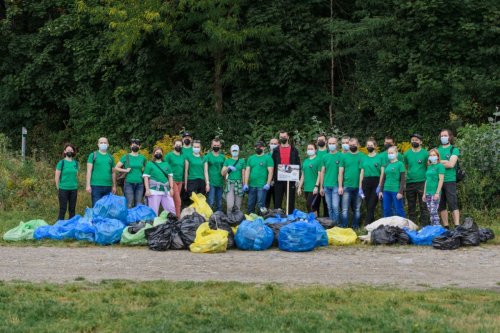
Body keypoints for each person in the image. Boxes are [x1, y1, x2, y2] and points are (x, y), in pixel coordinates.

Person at [272, 130, 301, 213]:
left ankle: (290, 216)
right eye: (281, 137)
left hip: (291, 178)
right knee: (277, 199)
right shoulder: (276, 150)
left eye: (284, 137)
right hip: (279, 178)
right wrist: (273, 178)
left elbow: (298, 164)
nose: (283, 138)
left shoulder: (294, 150)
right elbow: (273, 165)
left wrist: (297, 178)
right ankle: (278, 218)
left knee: (290, 199)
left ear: (288, 137)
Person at [338, 137, 364, 228]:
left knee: (357, 209)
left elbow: (363, 172)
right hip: (346, 186)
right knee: (344, 209)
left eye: (354, 145)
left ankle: (355, 227)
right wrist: (340, 186)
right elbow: (340, 172)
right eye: (351, 145)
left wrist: (361, 187)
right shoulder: (343, 156)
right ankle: (344, 226)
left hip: (358, 187)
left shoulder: (362, 156)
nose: (352, 146)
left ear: (358, 145)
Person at [404, 133, 429, 225]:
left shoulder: (425, 153)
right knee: (411, 205)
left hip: (422, 182)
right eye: (413, 140)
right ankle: (412, 225)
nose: (414, 141)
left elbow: (428, 167)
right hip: (410, 182)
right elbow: (406, 166)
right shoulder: (406, 154)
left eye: (416, 140)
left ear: (421, 142)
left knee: (423, 205)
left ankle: (424, 225)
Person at [437, 129, 460, 227]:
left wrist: (439, 162)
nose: (443, 137)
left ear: (450, 137)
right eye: (442, 136)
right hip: (438, 181)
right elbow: (432, 164)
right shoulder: (437, 150)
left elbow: (451, 164)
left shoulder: (454, 149)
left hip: (450, 180)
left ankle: (457, 225)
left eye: (445, 135)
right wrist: (445, 161)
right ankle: (446, 226)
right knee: (441, 205)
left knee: (452, 203)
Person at [115, 139, 147, 208]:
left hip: (140, 183)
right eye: (133, 145)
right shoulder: (126, 157)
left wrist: (144, 171)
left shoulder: (142, 158)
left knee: (138, 204)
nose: (135, 146)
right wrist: (125, 170)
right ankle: (128, 218)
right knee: (129, 203)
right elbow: (116, 167)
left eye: (137, 145)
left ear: (140, 146)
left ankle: (136, 219)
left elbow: (146, 169)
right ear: (130, 146)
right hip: (128, 183)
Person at [143, 147, 175, 215]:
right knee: (153, 211)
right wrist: (147, 189)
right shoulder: (150, 164)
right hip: (154, 190)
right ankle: (154, 224)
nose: (158, 154)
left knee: (171, 208)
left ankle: (172, 223)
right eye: (156, 152)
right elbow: (146, 177)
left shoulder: (166, 164)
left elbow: (170, 176)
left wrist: (172, 188)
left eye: (160, 153)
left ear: (162, 154)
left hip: (166, 190)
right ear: (153, 154)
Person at [244, 141, 274, 214]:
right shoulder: (251, 158)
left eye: (260, 147)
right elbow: (247, 171)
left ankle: (262, 220)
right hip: (252, 185)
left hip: (262, 186)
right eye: (256, 147)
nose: (258, 148)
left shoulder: (268, 158)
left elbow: (271, 171)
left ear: (263, 148)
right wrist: (245, 183)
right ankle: (250, 220)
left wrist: (268, 183)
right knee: (250, 204)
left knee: (261, 205)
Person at [86, 137, 116, 207]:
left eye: (105, 143)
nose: (103, 144)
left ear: (108, 145)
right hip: (96, 186)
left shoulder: (110, 157)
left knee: (106, 208)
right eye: (101, 143)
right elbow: (89, 171)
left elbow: (113, 173)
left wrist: (114, 186)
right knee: (96, 207)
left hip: (108, 186)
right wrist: (88, 185)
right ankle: (96, 218)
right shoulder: (93, 155)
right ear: (98, 144)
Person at [378, 146, 406, 217]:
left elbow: (403, 179)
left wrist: (400, 192)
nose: (390, 154)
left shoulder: (400, 164)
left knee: (398, 209)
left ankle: (403, 226)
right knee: (386, 209)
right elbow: (383, 179)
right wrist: (381, 191)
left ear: (396, 153)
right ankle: (388, 226)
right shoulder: (387, 164)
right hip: (386, 190)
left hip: (396, 190)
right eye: (389, 153)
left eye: (392, 153)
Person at [320, 136, 343, 224]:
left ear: (337, 144)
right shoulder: (325, 157)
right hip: (326, 185)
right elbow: (322, 172)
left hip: (336, 185)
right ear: (327, 144)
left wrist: (340, 186)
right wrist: (321, 187)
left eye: (333, 143)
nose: (331, 145)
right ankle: (331, 225)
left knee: (336, 207)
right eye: (330, 143)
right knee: (329, 207)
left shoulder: (341, 156)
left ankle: (337, 225)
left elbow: (341, 173)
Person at [359, 138, 381, 225]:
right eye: (368, 145)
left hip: (376, 181)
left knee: (372, 204)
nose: (369, 147)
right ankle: (372, 223)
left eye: (371, 145)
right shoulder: (364, 158)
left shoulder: (379, 158)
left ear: (375, 146)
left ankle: (366, 224)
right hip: (366, 182)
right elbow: (361, 173)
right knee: (368, 205)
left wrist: (380, 185)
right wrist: (360, 186)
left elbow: (382, 172)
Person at [55, 143, 78, 220]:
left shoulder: (76, 163)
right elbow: (57, 177)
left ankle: (71, 226)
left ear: (73, 152)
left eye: (71, 150)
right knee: (63, 209)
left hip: (74, 189)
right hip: (63, 189)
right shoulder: (61, 163)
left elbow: (76, 175)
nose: (70, 151)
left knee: (72, 209)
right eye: (68, 150)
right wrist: (58, 188)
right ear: (64, 152)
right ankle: (59, 226)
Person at [423, 149, 445, 226]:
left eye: (434, 155)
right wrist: (424, 194)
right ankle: (433, 227)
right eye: (431, 155)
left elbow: (441, 180)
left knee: (433, 211)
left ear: (438, 157)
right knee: (430, 211)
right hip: (428, 192)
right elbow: (427, 180)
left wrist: (437, 193)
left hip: (435, 192)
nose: (432, 157)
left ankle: (437, 227)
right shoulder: (429, 166)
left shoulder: (440, 166)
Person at [297, 143, 321, 214]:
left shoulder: (318, 160)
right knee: (308, 206)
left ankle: (315, 222)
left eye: (311, 149)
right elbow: (303, 175)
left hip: (314, 188)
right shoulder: (305, 161)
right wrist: (299, 187)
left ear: (315, 150)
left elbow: (320, 175)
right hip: (306, 187)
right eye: (308, 149)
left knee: (311, 205)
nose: (310, 150)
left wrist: (316, 186)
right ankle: (312, 221)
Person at [221, 144, 246, 214]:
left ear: (238, 151)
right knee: (230, 206)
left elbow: (243, 174)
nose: (235, 152)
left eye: (236, 151)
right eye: (233, 151)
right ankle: (229, 220)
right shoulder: (227, 161)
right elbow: (222, 173)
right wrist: (228, 167)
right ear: (231, 151)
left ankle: (236, 221)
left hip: (239, 184)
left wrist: (244, 184)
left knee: (238, 206)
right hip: (230, 184)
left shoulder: (242, 161)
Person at [204, 138, 226, 212]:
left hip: (220, 183)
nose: (216, 146)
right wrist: (207, 183)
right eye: (214, 145)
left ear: (220, 146)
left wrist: (226, 181)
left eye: (217, 145)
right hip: (211, 183)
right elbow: (206, 171)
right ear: (211, 146)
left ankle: (219, 219)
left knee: (219, 203)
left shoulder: (223, 157)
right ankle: (208, 218)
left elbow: (225, 171)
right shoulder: (207, 156)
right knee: (211, 202)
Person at [165, 139, 185, 217]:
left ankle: (171, 216)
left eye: (180, 145)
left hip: (180, 181)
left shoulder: (182, 156)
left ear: (182, 146)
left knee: (173, 200)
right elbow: (164, 166)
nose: (178, 146)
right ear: (173, 146)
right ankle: (178, 218)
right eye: (177, 145)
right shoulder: (169, 155)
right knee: (178, 201)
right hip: (172, 180)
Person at [315, 133, 329, 217]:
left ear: (326, 141)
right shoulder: (314, 153)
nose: (320, 141)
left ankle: (326, 221)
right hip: (315, 182)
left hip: (327, 181)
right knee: (315, 204)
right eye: (319, 140)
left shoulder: (329, 152)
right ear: (317, 141)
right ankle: (316, 221)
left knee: (326, 204)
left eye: (322, 140)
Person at [265, 138, 279, 208]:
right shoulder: (266, 155)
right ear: (269, 144)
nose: (273, 145)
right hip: (267, 181)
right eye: (271, 143)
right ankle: (265, 214)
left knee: (276, 200)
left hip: (277, 180)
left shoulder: (280, 155)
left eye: (275, 144)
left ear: (278, 144)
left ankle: (277, 215)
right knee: (266, 200)